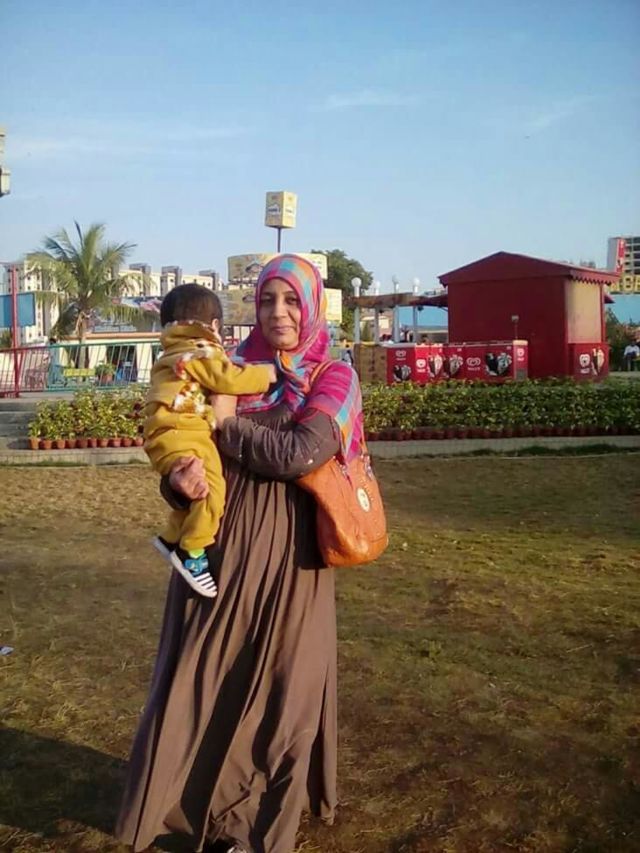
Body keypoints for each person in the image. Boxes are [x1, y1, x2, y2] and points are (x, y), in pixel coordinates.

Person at [115, 254, 364, 853]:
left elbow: (299, 454)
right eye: (267, 300)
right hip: (219, 554)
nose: (279, 313)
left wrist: (228, 425)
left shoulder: (333, 376)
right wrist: (178, 481)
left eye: (291, 300)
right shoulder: (227, 368)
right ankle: (187, 813)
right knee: (208, 679)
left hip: (294, 560)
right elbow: (181, 442)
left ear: (312, 305)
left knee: (283, 686)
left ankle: (252, 825)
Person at [144, 283, 276, 596]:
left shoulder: (172, 351)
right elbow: (226, 378)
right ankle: (192, 551)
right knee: (211, 491)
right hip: (186, 431)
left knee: (196, 491)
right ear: (215, 325)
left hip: (167, 434)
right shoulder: (199, 351)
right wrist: (265, 375)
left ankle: (172, 537)